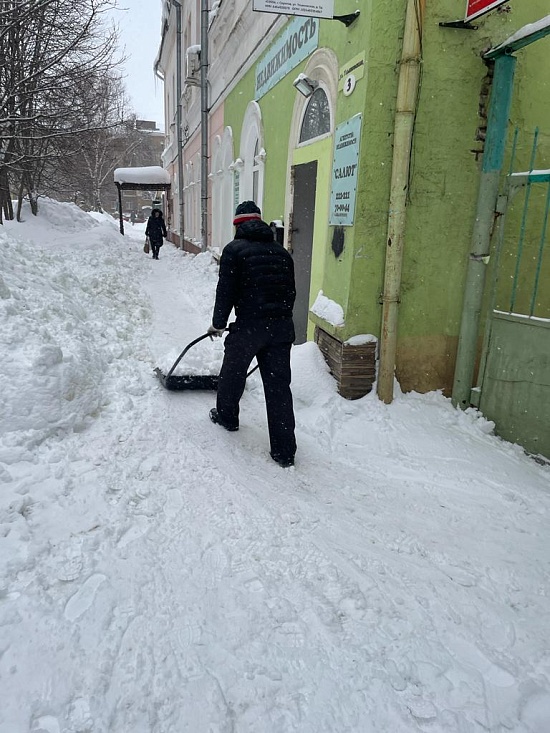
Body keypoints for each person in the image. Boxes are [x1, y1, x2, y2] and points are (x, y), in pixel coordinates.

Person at [208, 201, 297, 468]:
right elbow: (290, 292)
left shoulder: (234, 251)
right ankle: (284, 451)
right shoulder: (282, 253)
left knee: (233, 373)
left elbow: (226, 291)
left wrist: (218, 323)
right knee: (279, 388)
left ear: (238, 225)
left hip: (249, 327)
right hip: (281, 328)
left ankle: (227, 417)